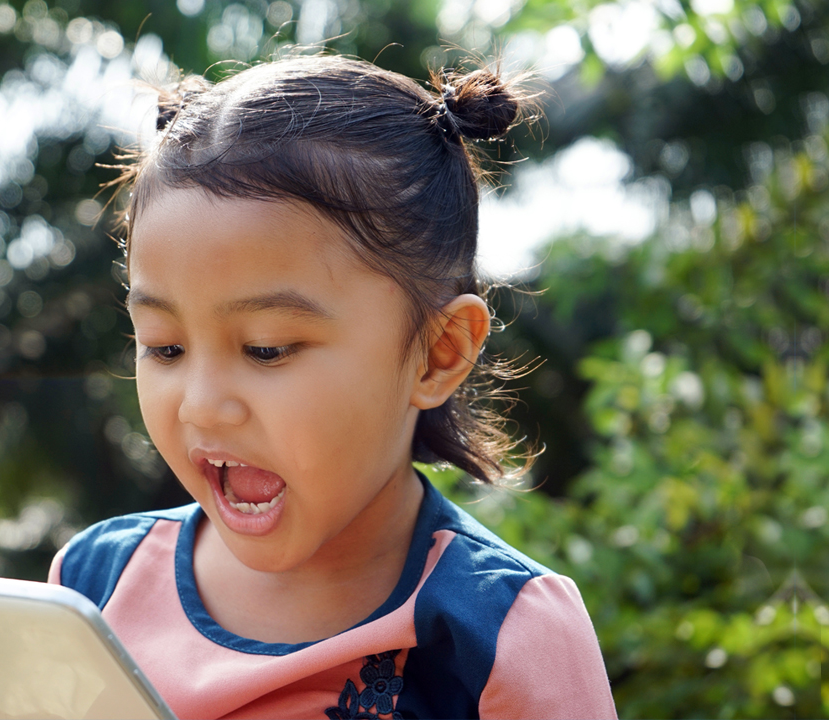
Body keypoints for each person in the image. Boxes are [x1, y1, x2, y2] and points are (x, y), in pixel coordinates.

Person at [48, 54, 617, 720]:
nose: (201, 403)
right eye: (164, 347)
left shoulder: (498, 628)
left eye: (267, 349)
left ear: (438, 353)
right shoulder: (93, 585)